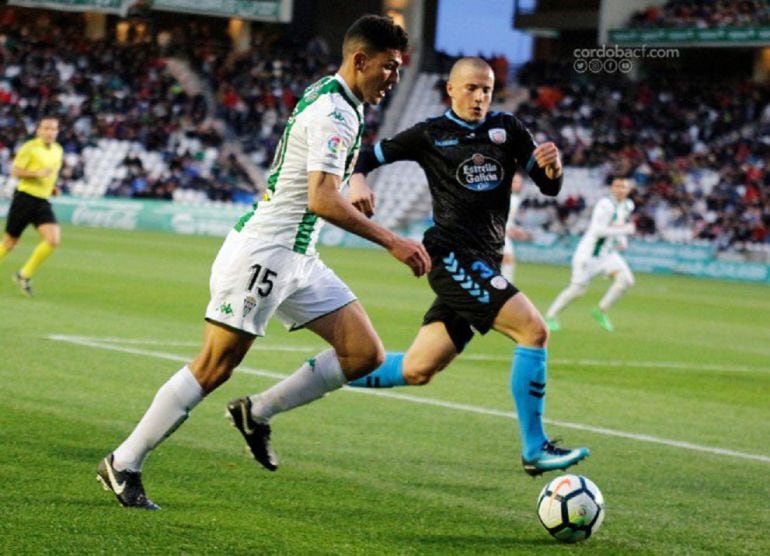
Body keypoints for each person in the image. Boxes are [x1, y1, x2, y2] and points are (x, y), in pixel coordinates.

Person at [97, 15, 429, 510]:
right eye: (389, 67)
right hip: (266, 253)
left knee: (364, 354)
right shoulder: (336, 113)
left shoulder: (340, 99)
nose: (394, 79)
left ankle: (257, 413)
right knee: (215, 365)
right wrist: (391, 241)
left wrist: (354, 182)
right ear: (360, 61)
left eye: (399, 70)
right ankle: (123, 462)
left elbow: (324, 184)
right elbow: (319, 198)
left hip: (299, 257)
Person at [319, 57, 589, 478]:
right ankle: (535, 448)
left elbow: (548, 186)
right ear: (451, 89)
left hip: (484, 261)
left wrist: (554, 168)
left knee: (416, 369)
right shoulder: (430, 133)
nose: (480, 96)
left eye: (487, 89)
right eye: (471, 88)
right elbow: (364, 158)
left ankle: (329, 373)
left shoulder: (509, 130)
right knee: (534, 330)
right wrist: (357, 180)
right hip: (451, 257)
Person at [544, 176, 636, 332]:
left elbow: (618, 224)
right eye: (617, 186)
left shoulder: (628, 205)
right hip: (588, 254)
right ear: (612, 188)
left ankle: (600, 310)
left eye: (624, 187)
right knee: (577, 290)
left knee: (626, 280)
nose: (621, 189)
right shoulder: (605, 205)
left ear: (629, 190)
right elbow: (598, 230)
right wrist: (624, 230)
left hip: (607, 254)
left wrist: (622, 239)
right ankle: (550, 316)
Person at [0, 116, 63, 296]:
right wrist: (36, 173)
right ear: (39, 131)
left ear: (57, 132)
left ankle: (24, 274)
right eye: (46, 128)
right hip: (24, 199)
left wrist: (53, 188)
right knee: (9, 243)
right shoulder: (30, 148)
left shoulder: (58, 150)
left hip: (42, 201)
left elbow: (50, 175)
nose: (50, 132)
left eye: (53, 129)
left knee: (53, 240)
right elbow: (14, 171)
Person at [501, 172, 531, 282]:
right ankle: (505, 289)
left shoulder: (515, 198)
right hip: (498, 233)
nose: (517, 184)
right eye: (514, 182)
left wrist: (516, 230)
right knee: (507, 259)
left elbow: (509, 220)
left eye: (519, 182)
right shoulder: (504, 197)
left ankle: (505, 288)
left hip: (504, 233)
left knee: (507, 260)